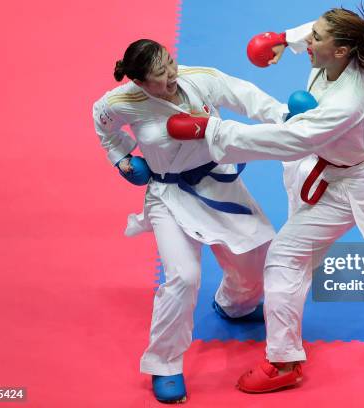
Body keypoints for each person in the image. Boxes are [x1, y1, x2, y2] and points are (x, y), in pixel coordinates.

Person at [166, 7, 364, 393]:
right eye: (313, 35)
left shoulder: (346, 102)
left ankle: (284, 361)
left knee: (286, 257)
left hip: (348, 180)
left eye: (317, 39)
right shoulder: (341, 50)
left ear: (339, 51)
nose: (311, 40)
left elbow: (288, 140)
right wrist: (282, 39)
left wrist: (212, 131)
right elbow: (315, 28)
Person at [92, 39, 289, 403]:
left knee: (258, 254)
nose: (170, 76)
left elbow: (241, 93)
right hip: (169, 196)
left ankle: (235, 305)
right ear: (138, 81)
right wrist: (121, 158)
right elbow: (102, 125)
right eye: (159, 75)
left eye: (170, 63)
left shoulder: (196, 78)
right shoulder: (121, 101)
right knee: (183, 277)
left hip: (218, 184)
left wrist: (282, 116)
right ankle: (164, 364)